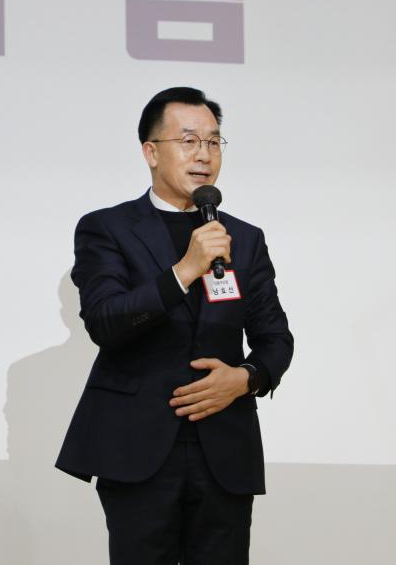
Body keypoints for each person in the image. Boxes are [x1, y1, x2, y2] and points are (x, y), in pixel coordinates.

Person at [56, 87, 294, 564]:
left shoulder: (244, 239)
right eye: (188, 141)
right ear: (150, 152)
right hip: (136, 447)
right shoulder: (106, 228)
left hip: (224, 447)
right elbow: (105, 321)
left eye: (213, 141)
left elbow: (275, 338)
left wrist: (246, 378)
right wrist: (184, 271)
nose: (203, 155)